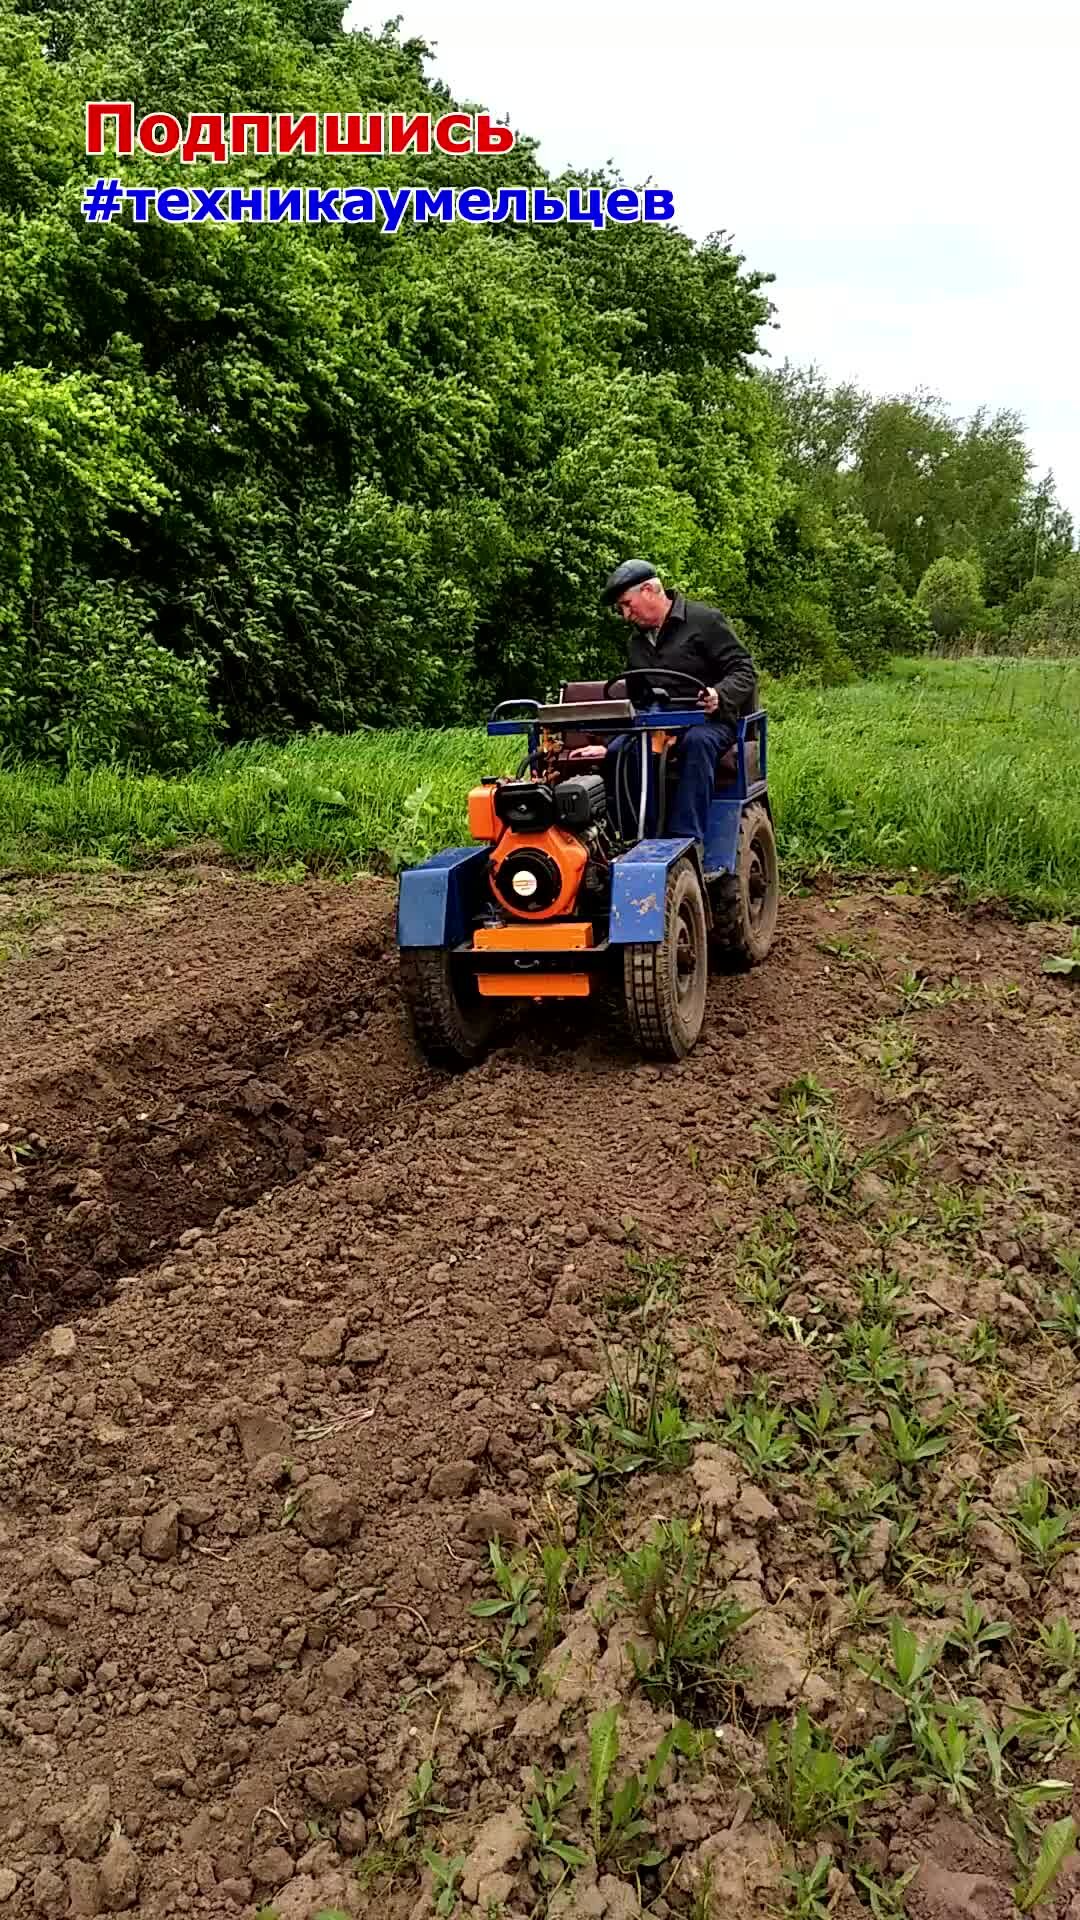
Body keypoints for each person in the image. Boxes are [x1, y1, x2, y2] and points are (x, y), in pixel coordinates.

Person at [596, 559, 758, 844]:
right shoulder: (636, 642)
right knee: (620, 750)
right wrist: (605, 740)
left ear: (648, 590)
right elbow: (637, 698)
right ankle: (633, 837)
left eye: (627, 604)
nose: (625, 615)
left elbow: (744, 670)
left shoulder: (704, 621)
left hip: (710, 720)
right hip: (658, 722)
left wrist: (719, 694)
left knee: (697, 743)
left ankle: (686, 840)